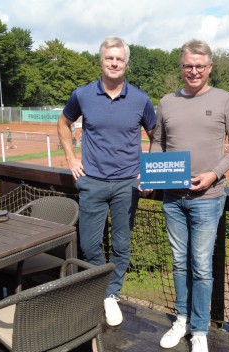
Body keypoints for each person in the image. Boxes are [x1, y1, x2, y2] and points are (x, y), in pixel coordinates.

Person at [57, 36, 156, 327]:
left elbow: (156, 137)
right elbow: (63, 123)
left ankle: (111, 294)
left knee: (122, 245)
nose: (114, 63)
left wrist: (148, 172)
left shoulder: (141, 98)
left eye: (119, 59)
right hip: (93, 182)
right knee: (89, 245)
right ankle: (102, 291)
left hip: (128, 184)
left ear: (126, 63)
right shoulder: (82, 94)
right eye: (109, 58)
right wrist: (70, 158)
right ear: (101, 61)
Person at [152, 39, 229, 352]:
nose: (193, 71)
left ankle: (200, 328)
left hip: (209, 198)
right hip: (172, 199)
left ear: (209, 68)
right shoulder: (166, 101)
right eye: (188, 66)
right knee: (179, 262)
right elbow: (157, 143)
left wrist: (213, 175)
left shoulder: (226, 100)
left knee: (202, 266)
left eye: (199, 66)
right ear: (181, 67)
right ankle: (182, 319)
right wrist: (153, 174)